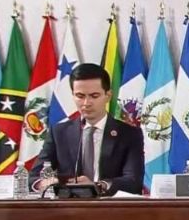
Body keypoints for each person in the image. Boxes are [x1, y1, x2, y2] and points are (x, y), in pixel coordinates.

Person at [32, 63, 144, 195]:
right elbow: (33, 177)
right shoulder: (59, 132)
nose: (86, 103)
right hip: (67, 209)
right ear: (73, 95)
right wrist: (47, 183)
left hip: (110, 209)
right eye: (80, 96)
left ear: (108, 96)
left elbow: (133, 182)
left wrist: (97, 186)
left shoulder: (129, 134)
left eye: (94, 96)